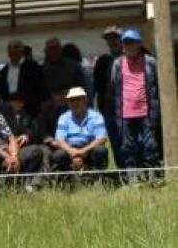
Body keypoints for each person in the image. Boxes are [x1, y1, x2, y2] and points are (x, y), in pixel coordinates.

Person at [109, 29, 161, 185]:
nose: (129, 46)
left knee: (150, 145)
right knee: (128, 146)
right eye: (126, 43)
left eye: (132, 42)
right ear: (123, 46)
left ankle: (153, 178)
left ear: (139, 44)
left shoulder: (150, 61)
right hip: (125, 112)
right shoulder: (117, 64)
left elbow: (158, 85)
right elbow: (113, 86)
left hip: (147, 111)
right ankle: (133, 180)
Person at [51, 87, 110, 175]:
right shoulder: (63, 117)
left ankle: (97, 177)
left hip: (90, 149)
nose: (75, 103)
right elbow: (59, 140)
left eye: (78, 99)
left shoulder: (96, 116)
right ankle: (66, 181)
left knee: (101, 150)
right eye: (72, 100)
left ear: (85, 100)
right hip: (70, 149)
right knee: (58, 155)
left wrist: (82, 151)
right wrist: (72, 152)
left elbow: (101, 139)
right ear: (68, 102)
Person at [93, 26, 125, 166]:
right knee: (115, 141)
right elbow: (96, 86)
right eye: (109, 38)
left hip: (131, 106)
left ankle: (141, 172)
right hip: (109, 108)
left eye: (115, 37)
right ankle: (124, 174)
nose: (112, 41)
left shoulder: (132, 57)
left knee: (133, 141)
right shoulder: (102, 60)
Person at [0, 40, 46, 117]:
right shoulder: (3, 71)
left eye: (16, 47)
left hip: (30, 111)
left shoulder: (34, 67)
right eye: (10, 48)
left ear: (22, 50)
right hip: (8, 112)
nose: (13, 50)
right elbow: (1, 92)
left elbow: (40, 89)